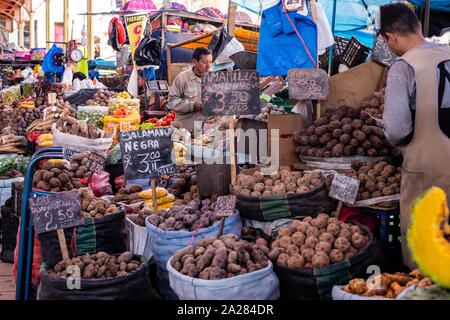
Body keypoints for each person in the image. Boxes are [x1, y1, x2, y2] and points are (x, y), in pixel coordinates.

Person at [380, 3, 450, 269]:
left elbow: (396, 130)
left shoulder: (403, 67)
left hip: (429, 175)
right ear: (419, 26)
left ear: (389, 37)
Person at [168, 47, 213, 131]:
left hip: (206, 130)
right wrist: (193, 105)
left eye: (210, 62)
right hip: (186, 130)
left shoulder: (213, 79)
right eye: (205, 62)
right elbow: (172, 102)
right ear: (194, 61)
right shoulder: (182, 79)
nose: (208, 66)